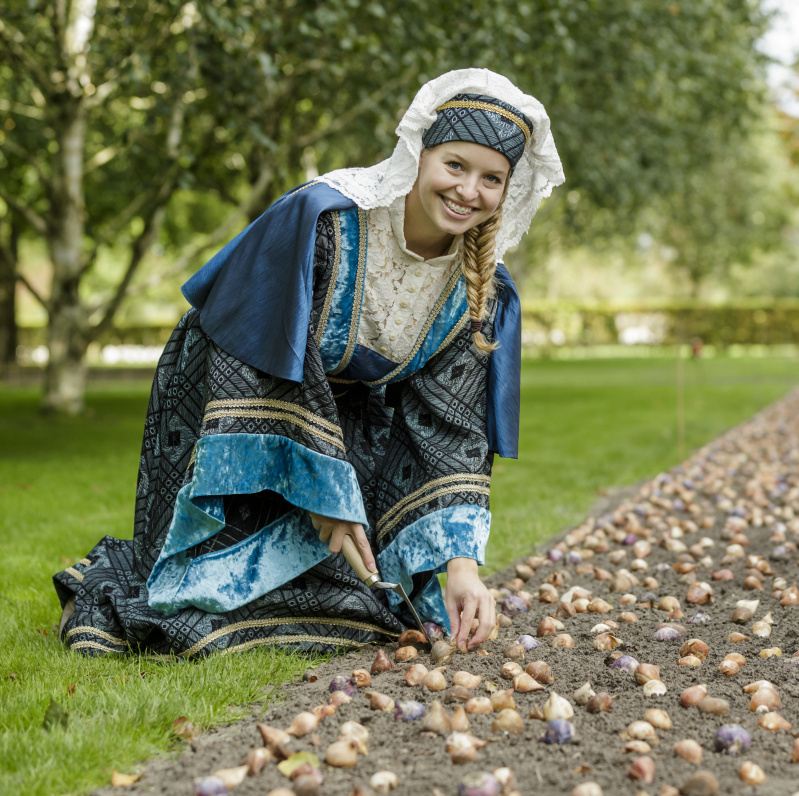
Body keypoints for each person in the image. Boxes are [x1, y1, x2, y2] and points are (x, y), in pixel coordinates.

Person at [52, 69, 565, 659]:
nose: (469, 190)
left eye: (491, 178)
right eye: (455, 165)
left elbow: (450, 428)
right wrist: (324, 492)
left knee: (382, 605)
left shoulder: (481, 292)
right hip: (231, 394)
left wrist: (462, 568)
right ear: (418, 154)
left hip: (339, 425)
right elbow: (259, 348)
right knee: (199, 607)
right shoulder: (322, 222)